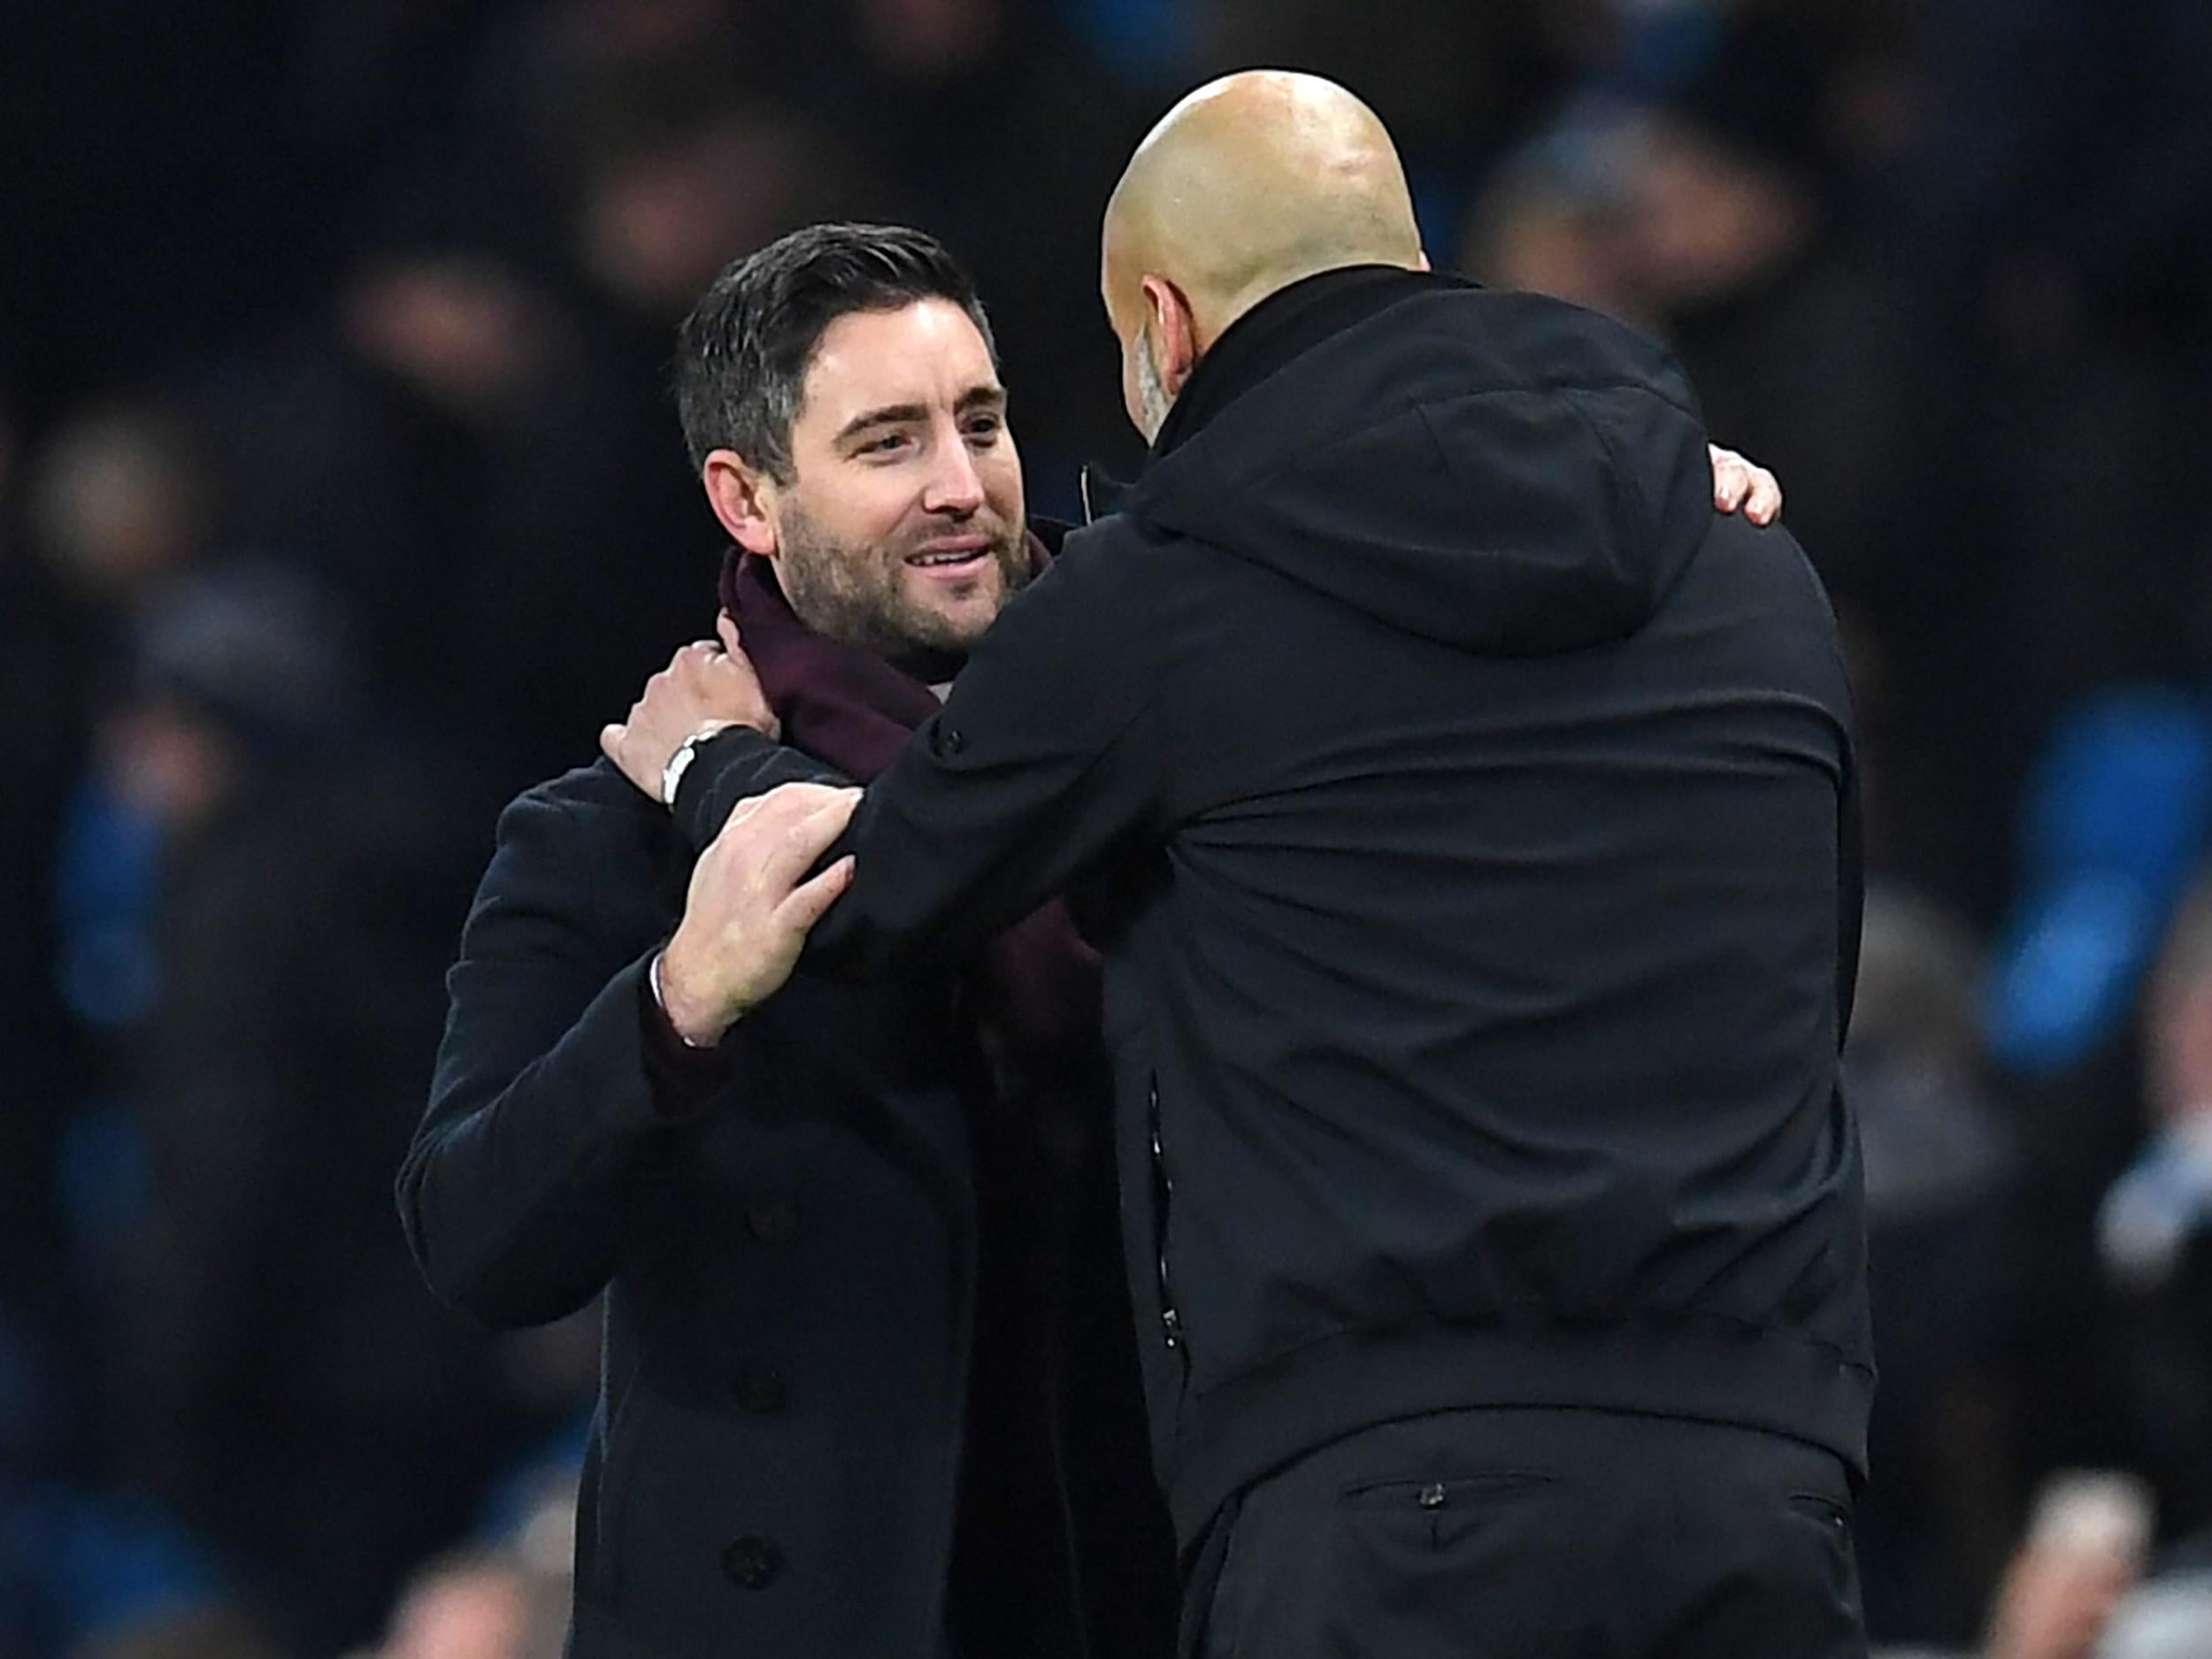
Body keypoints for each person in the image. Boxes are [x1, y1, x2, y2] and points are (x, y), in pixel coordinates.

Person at [624, 72, 1870, 1658]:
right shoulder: (1750, 564)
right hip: (1765, 1472)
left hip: (1380, 1494)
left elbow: (876, 899)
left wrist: (710, 764)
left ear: (1164, 325)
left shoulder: (1166, 591)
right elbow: (1804, 984)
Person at [397, 224, 1174, 1659]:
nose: (962, 487)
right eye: (887, 443)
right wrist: (680, 1002)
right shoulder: (611, 833)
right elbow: (477, 1241)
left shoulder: (1169, 746)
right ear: (747, 500)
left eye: (981, 423)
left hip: (1125, 1587)